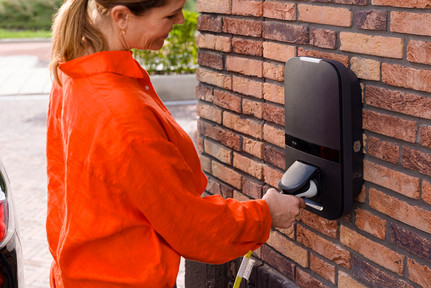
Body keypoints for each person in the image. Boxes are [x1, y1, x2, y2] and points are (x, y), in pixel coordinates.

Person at [46, 0, 306, 287]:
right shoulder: (120, 113)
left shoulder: (74, 74)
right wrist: (266, 214)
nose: (182, 20)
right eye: (170, 14)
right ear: (121, 16)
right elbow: (190, 226)